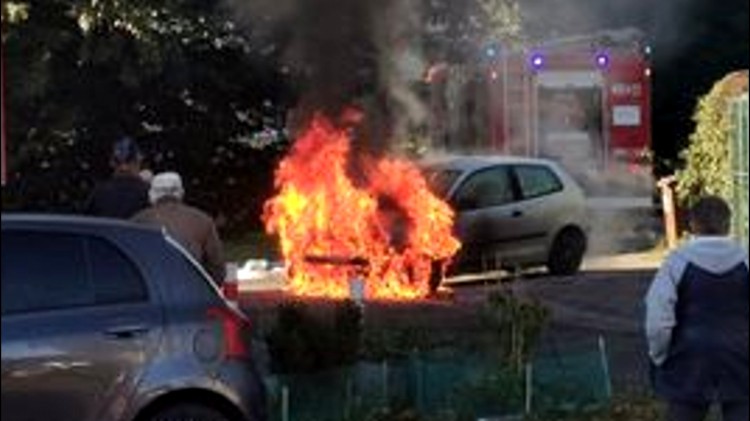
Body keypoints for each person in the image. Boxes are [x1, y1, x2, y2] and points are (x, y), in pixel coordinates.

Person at [645, 196, 749, 421]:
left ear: (692, 224)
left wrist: (659, 355)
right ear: (728, 223)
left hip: (689, 358)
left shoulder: (677, 262)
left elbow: (657, 322)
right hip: (742, 357)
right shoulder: (746, 261)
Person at [132, 172, 226, 286]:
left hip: (154, 290)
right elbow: (217, 267)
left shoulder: (137, 221)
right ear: (181, 193)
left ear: (152, 194)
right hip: (191, 291)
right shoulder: (202, 219)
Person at [85, 137, 150, 218]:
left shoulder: (99, 192)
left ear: (111, 163)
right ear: (139, 161)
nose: (124, 167)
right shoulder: (148, 193)